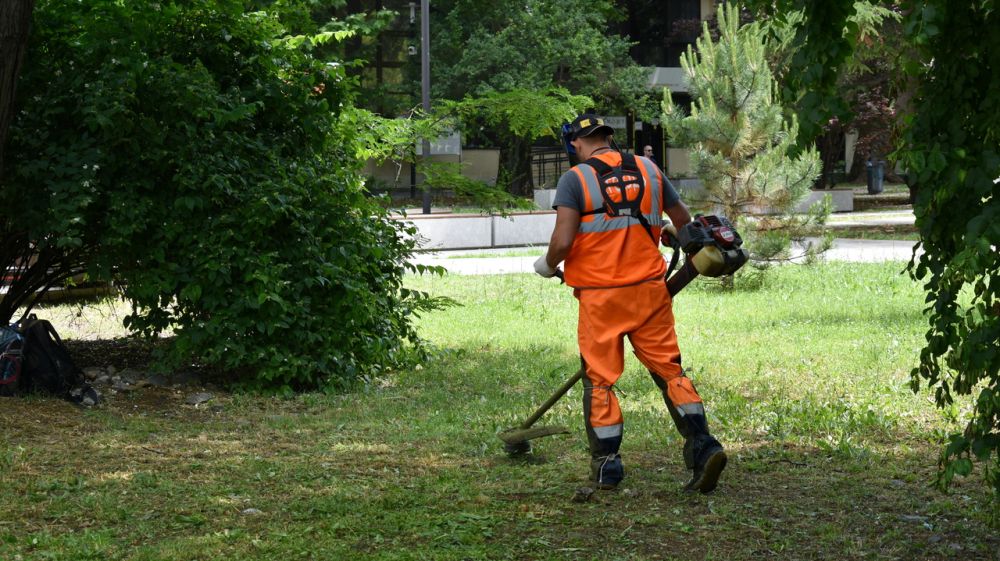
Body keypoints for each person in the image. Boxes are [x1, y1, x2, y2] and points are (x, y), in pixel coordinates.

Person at [534, 113, 726, 493]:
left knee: (601, 381)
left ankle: (607, 466)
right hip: (650, 292)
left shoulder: (575, 179)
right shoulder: (649, 169)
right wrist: (666, 231)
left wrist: (547, 263)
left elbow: (564, 239)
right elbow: (683, 219)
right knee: (670, 372)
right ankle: (704, 448)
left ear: (575, 143)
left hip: (601, 299)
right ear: (607, 137)